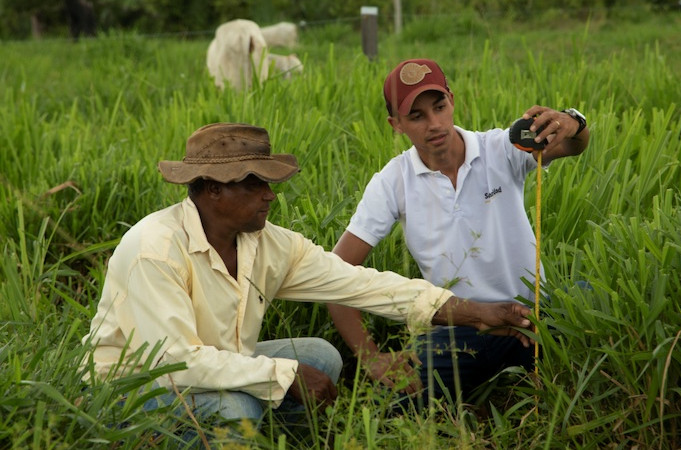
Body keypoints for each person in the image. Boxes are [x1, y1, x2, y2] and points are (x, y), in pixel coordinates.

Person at [80, 122, 535, 430]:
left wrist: (472, 312)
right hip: (133, 386)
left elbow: (362, 284)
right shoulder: (155, 250)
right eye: (255, 183)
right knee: (237, 405)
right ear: (213, 190)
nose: (269, 197)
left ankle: (268, 432)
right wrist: (283, 374)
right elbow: (177, 362)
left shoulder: (266, 242)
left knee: (320, 356)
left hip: (213, 359)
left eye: (269, 183)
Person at [327, 58, 590, 407]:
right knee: (389, 405)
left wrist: (573, 123)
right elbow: (335, 275)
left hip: (534, 314)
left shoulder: (501, 148)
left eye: (439, 107)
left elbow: (573, 145)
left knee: (588, 301)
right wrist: (371, 356)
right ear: (396, 124)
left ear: (452, 100)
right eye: (417, 116)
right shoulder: (393, 181)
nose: (434, 124)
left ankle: (535, 375)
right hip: (463, 327)